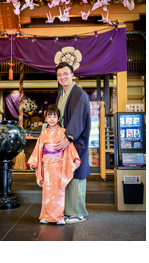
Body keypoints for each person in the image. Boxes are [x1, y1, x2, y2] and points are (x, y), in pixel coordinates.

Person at [28, 105, 80, 225]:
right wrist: (33, 161)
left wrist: (75, 158)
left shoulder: (63, 132)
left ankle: (58, 216)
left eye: (54, 116)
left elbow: (69, 146)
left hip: (58, 165)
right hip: (47, 165)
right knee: (47, 191)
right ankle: (46, 216)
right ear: (46, 119)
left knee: (59, 190)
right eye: (49, 116)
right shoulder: (43, 133)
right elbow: (38, 148)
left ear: (58, 119)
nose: (51, 119)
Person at [53, 62, 91, 224]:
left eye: (66, 74)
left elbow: (78, 118)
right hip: (63, 141)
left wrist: (69, 138)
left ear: (72, 74)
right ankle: (69, 211)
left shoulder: (79, 94)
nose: (63, 77)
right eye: (59, 75)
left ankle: (78, 212)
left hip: (75, 141)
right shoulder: (61, 93)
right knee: (66, 175)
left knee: (76, 174)